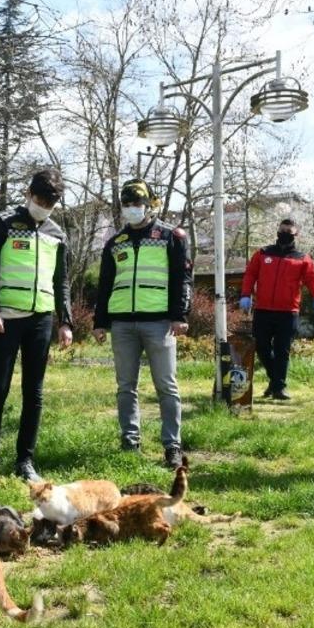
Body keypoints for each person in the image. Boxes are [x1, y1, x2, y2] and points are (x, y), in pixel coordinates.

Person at [0, 169, 74, 488]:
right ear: (28, 193)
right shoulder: (0, 223)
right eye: (41, 199)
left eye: (51, 202)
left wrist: (66, 321)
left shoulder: (57, 233)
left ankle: (25, 461)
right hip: (5, 319)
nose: (45, 206)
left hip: (41, 321)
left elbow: (62, 281)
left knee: (35, 392)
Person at [92, 179, 192, 467]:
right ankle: (129, 440)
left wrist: (180, 315)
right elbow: (105, 284)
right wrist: (100, 322)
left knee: (167, 386)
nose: (132, 209)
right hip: (122, 324)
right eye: (127, 204)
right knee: (126, 386)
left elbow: (182, 279)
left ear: (150, 205)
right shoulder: (115, 243)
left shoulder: (171, 236)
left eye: (138, 204)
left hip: (160, 323)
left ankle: (172, 446)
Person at [239, 218, 314, 400]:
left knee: (282, 350)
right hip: (263, 309)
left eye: (289, 232)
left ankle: (278, 388)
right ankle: (276, 381)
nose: (285, 234)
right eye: (282, 230)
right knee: (261, 347)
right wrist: (245, 294)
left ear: (296, 235)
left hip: (288, 311)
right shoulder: (263, 253)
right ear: (277, 232)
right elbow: (250, 274)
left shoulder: (302, 258)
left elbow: (312, 279)